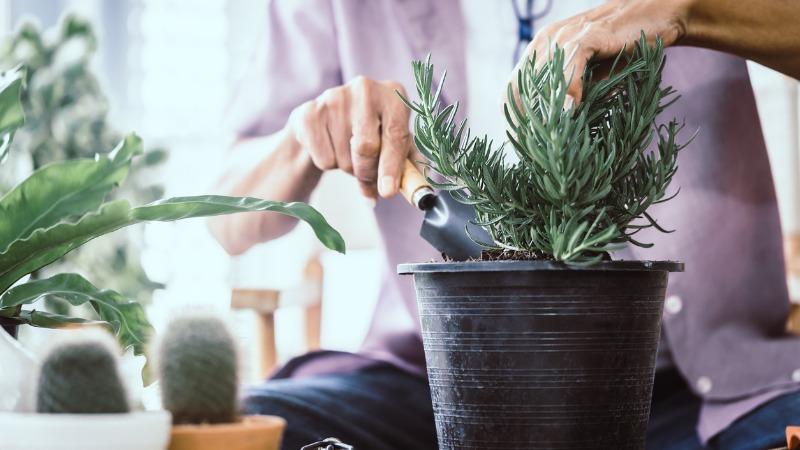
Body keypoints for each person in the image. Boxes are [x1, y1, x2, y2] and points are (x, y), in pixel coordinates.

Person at [209, 0, 800, 448]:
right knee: (249, 427)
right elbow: (226, 216)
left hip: (694, 387)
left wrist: (688, 10)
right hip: (433, 376)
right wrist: (302, 138)